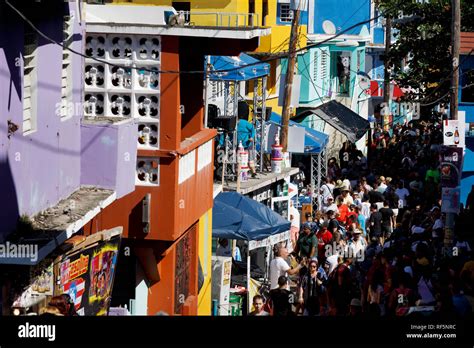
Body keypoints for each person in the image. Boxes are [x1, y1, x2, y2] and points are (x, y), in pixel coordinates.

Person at [236, 105, 257, 177]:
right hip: (238, 145)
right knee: (238, 159)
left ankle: (254, 172)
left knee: (250, 159)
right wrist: (220, 143)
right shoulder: (233, 125)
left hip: (247, 144)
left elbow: (253, 129)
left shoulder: (244, 123)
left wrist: (251, 137)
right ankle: (239, 173)